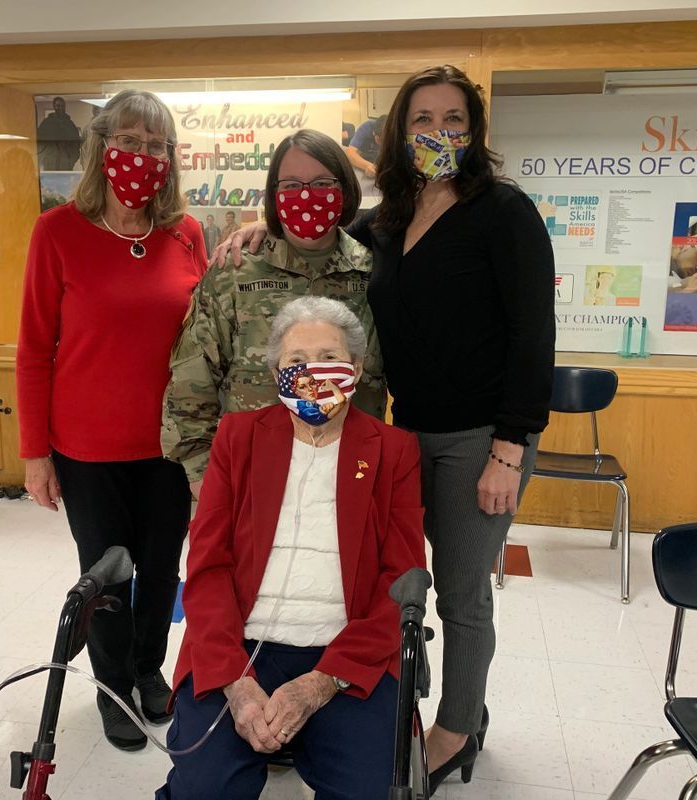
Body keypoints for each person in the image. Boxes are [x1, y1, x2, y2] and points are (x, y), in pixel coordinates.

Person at [215, 64, 556, 795]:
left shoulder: (503, 212)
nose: (438, 132)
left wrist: (510, 447)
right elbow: (324, 240)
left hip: (480, 438)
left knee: (461, 591)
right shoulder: (390, 220)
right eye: (422, 119)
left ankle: (458, 727)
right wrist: (265, 226)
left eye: (453, 119)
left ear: (474, 130)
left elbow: (534, 335)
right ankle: (397, 704)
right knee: (401, 582)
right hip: (405, 435)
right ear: (400, 132)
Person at [156, 297, 426, 800]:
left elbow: (401, 580)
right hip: (242, 645)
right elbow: (208, 566)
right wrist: (236, 682)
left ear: (356, 368)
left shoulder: (393, 451)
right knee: (204, 789)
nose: (313, 373)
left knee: (367, 791)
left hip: (345, 654)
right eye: (297, 361)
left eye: (329, 357)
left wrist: (322, 683)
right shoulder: (238, 437)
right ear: (276, 371)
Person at [17, 90, 207, 753]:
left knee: (160, 570)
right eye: (129, 140)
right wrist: (34, 453)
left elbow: (205, 333)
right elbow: (34, 349)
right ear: (100, 146)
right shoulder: (58, 232)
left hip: (170, 446)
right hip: (87, 449)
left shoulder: (185, 233)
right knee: (107, 576)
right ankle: (112, 685)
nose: (142, 156)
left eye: (156, 145)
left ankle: (148, 668)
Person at [161, 128, 386, 493]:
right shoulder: (235, 273)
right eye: (292, 185)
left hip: (351, 477)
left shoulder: (373, 275)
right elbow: (192, 378)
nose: (306, 195)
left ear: (344, 189)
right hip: (253, 477)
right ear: (274, 194)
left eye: (322, 183)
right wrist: (203, 476)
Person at [36, 96, 83, 171]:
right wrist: (43, 158)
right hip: (50, 160)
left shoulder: (69, 124)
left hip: (65, 161)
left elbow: (76, 143)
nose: (60, 108)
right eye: (58, 105)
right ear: (54, 106)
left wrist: (71, 160)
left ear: (64, 107)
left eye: (62, 106)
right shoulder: (46, 123)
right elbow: (39, 142)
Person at [345, 115, 386, 179]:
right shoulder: (367, 126)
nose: (382, 144)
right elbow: (350, 152)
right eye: (380, 140)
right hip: (363, 159)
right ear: (374, 132)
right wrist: (367, 165)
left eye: (386, 140)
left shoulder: (395, 133)